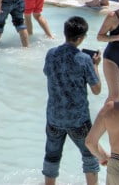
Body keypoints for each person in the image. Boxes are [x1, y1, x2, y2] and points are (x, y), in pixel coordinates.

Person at [42, 16, 102, 184]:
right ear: (81, 37)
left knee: (52, 156)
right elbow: (97, 90)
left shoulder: (51, 54)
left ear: (65, 33)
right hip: (78, 119)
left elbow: (47, 73)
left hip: (54, 116)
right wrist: (96, 65)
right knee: (89, 156)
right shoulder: (84, 59)